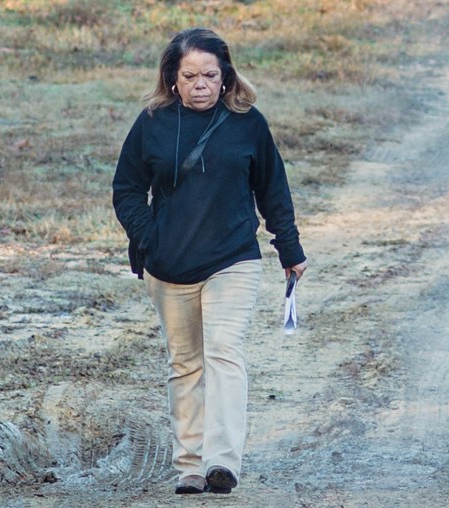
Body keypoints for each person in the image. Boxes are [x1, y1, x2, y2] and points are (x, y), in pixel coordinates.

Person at [112, 27, 307, 495]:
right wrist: (149, 237)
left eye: (210, 75)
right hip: (168, 265)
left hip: (232, 259)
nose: (200, 84)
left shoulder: (248, 124)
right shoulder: (152, 123)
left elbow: (273, 190)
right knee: (185, 365)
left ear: (225, 79)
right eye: (190, 75)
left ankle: (222, 461)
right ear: (173, 80)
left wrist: (290, 249)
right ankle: (190, 467)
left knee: (223, 352)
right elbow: (127, 189)